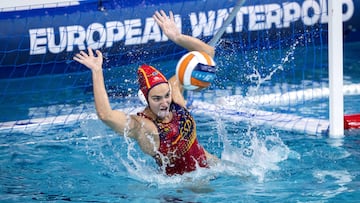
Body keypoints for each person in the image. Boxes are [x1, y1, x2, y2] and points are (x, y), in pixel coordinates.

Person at [73, 10, 218, 176]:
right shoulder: (144, 126)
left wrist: (178, 37)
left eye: (166, 95)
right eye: (156, 98)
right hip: (184, 188)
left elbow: (207, 55)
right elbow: (105, 115)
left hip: (213, 167)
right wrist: (97, 71)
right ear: (145, 98)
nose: (164, 102)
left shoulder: (174, 96)